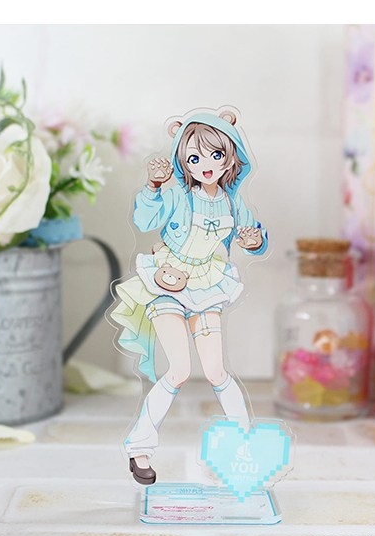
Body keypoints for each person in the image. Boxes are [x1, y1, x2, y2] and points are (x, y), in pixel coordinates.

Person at [111, 108, 267, 484]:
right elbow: (145, 221)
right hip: (169, 282)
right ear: (184, 161)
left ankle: (245, 447)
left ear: (231, 155)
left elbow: (255, 238)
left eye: (216, 154)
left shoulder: (233, 202)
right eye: (195, 158)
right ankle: (139, 447)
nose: (206, 165)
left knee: (215, 371)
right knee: (179, 370)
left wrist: (254, 241)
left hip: (207, 285)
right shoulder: (179, 195)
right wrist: (153, 187)